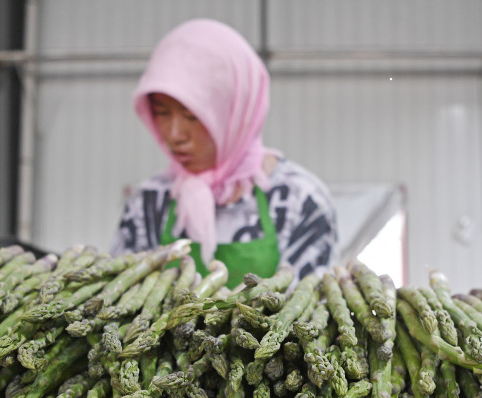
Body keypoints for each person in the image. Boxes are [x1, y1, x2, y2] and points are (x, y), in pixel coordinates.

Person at [111, 18, 338, 288]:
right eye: (161, 113)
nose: (174, 134)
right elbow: (121, 303)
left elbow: (308, 313)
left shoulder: (300, 202)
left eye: (192, 116)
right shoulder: (149, 204)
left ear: (235, 111)